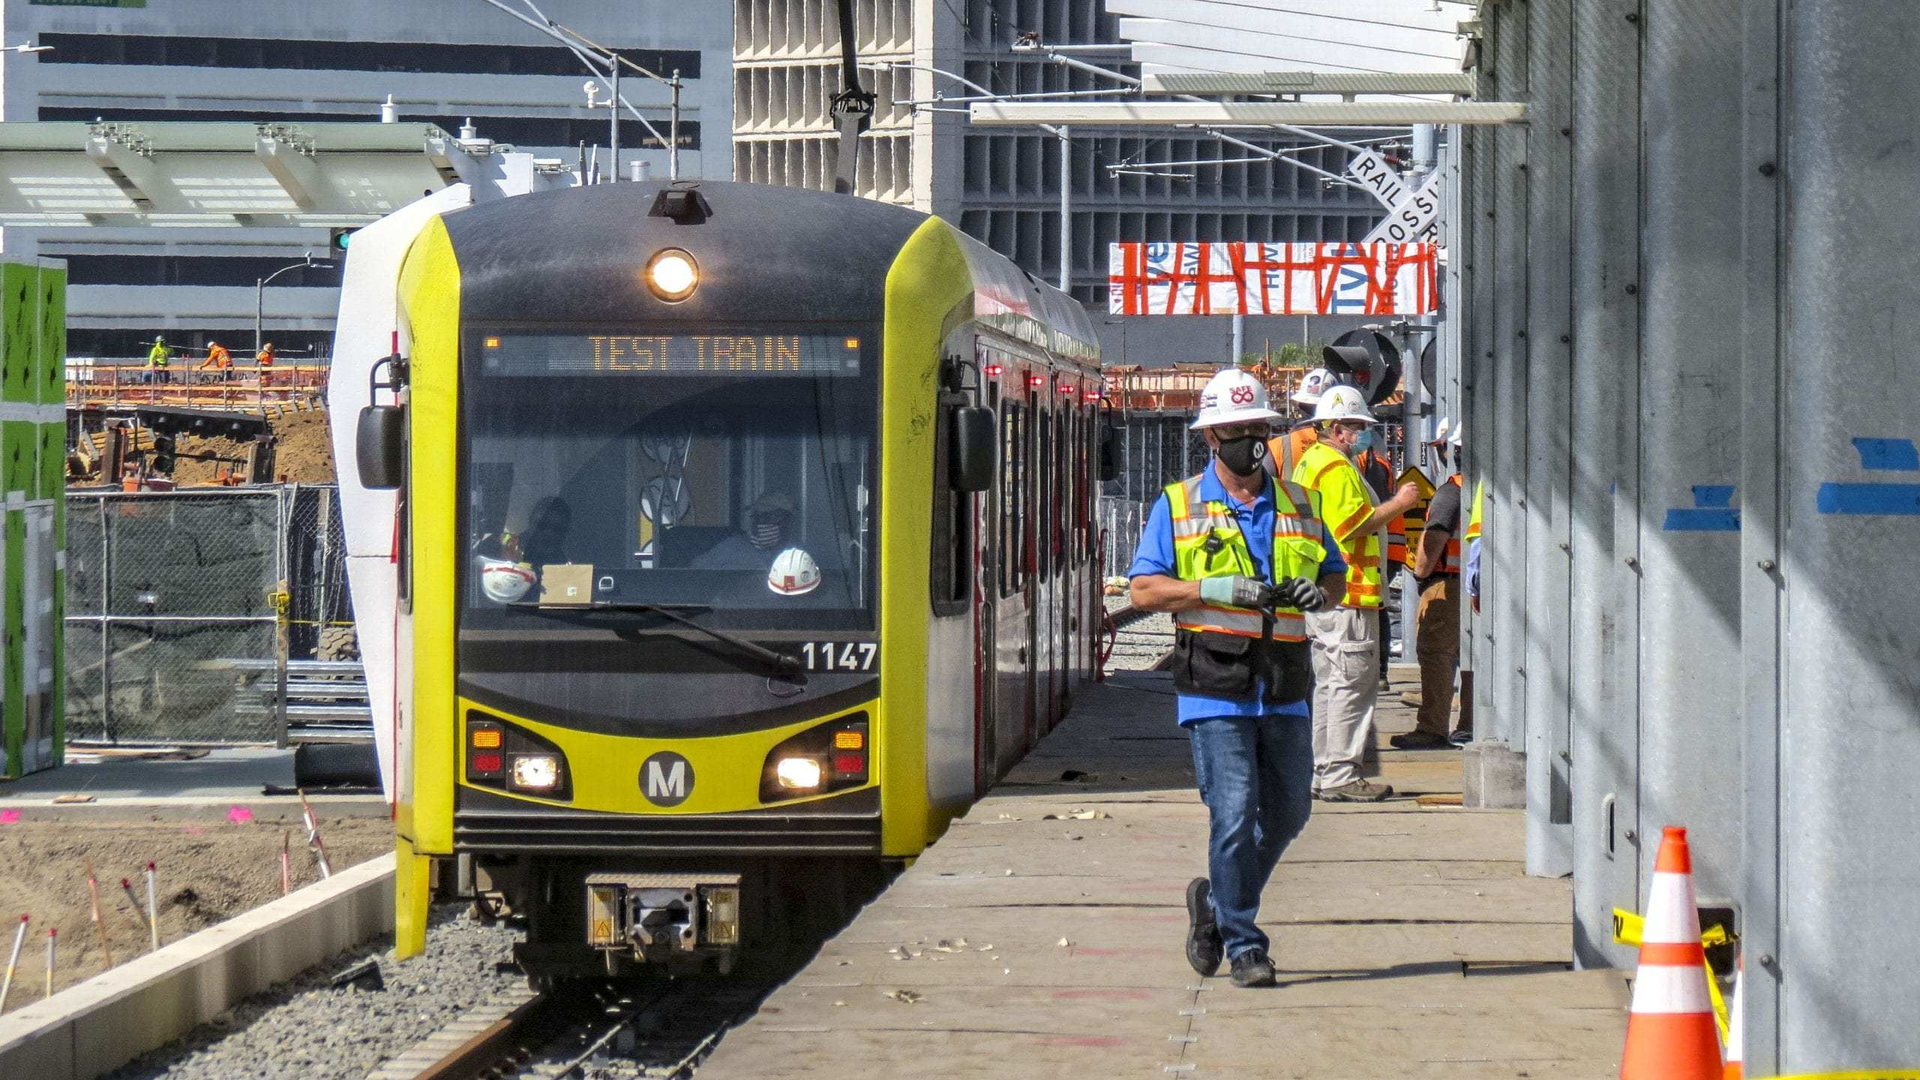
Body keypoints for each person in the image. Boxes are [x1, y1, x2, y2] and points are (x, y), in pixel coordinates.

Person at [1128, 368, 1348, 989]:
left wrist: (1320, 594)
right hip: (1214, 684)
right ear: (1211, 438)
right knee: (1231, 810)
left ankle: (1217, 910)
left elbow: (1332, 576)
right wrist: (1208, 588)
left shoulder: (1300, 505)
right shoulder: (1177, 504)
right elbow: (1144, 588)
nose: (1249, 439)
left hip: (1282, 684)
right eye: (1235, 430)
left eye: (1258, 428)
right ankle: (1246, 944)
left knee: (1290, 812)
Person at [1291, 385, 1422, 802]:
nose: (1363, 433)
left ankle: (1324, 771)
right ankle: (1341, 775)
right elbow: (1353, 525)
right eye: (1356, 426)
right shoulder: (1336, 468)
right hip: (1349, 595)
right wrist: (1401, 502)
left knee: (1330, 687)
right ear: (1335, 428)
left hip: (1326, 595)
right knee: (1351, 687)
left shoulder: (1310, 464)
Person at [1395, 422, 1468, 749]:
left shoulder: (1451, 492)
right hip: (1473, 587)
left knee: (1437, 655)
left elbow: (1434, 537)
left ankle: (1432, 728)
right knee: (1471, 661)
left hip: (1446, 586)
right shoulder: (1484, 491)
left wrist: (1421, 573)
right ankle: (1468, 722)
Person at [691, 492, 799, 570]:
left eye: (770, 516)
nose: (760, 521)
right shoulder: (734, 547)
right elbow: (693, 572)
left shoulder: (797, 553)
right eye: (756, 515)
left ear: (788, 521)